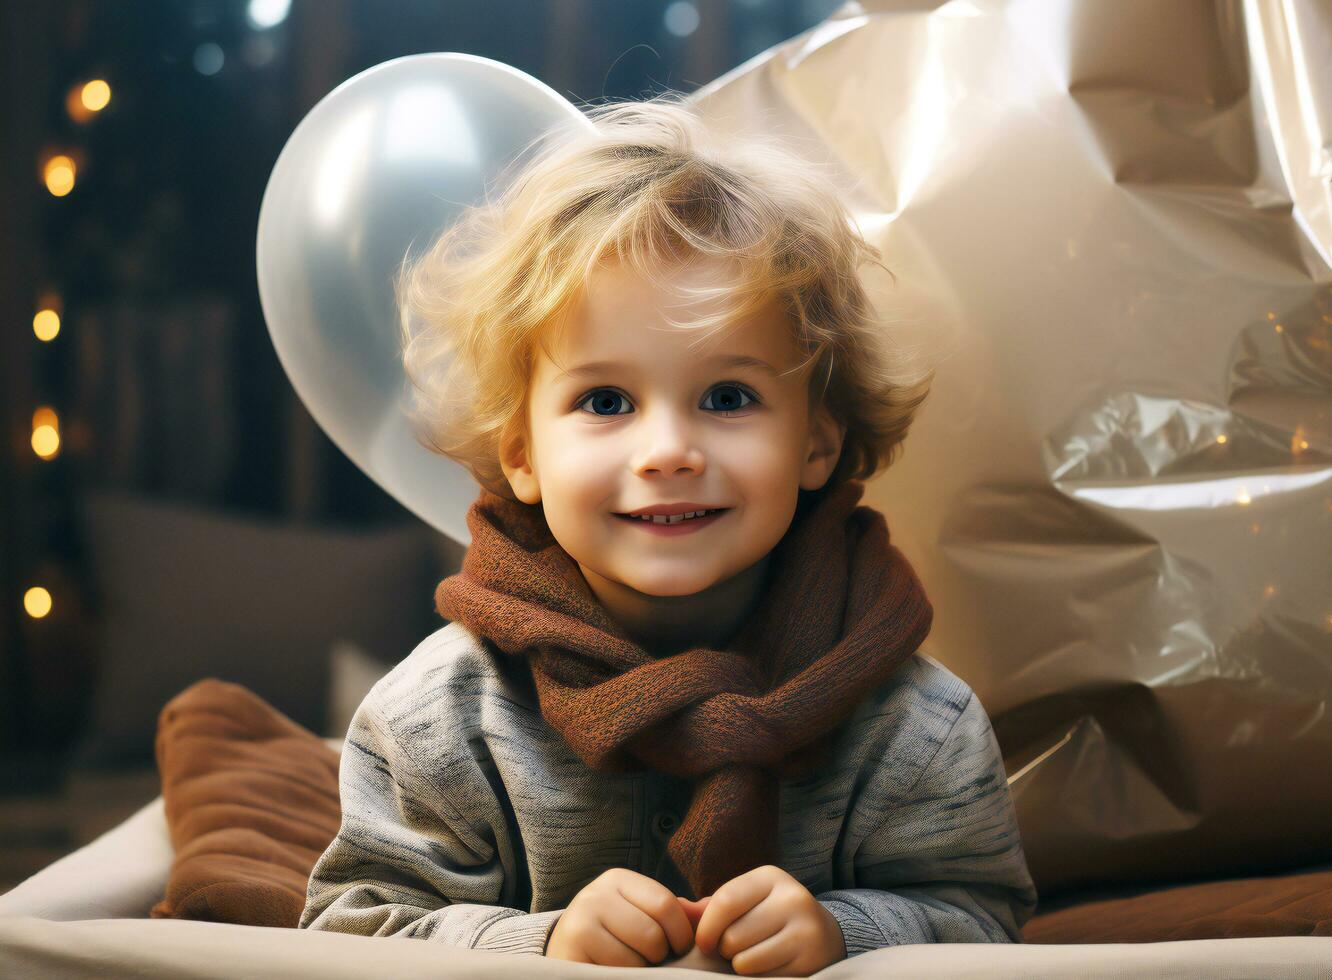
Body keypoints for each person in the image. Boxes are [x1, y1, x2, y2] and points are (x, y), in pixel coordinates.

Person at [297, 93, 1037, 975]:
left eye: (727, 397)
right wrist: (539, 944)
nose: (669, 452)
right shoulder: (438, 721)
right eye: (605, 402)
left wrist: (850, 931)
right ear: (523, 453)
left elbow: (982, 915)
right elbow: (350, 926)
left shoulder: (914, 723)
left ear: (816, 441)